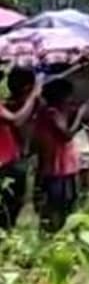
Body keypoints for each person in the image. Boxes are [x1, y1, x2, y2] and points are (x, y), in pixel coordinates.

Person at [33, 79, 89, 232]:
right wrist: (80, 114)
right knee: (57, 204)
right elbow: (67, 135)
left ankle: (57, 232)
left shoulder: (48, 111)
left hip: (62, 167)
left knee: (64, 202)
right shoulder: (52, 113)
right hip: (57, 168)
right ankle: (55, 232)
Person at [0, 69, 40, 230]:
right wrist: (33, 96)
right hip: (6, 163)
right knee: (9, 206)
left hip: (10, 158)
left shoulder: (6, 104)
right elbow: (16, 121)